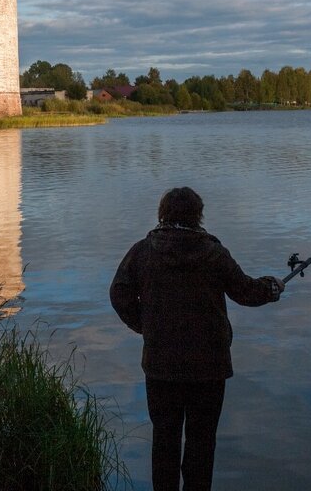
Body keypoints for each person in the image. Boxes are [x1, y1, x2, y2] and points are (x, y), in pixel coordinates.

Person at [110, 186, 283, 491]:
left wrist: (145, 326)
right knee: (202, 444)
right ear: (198, 215)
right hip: (208, 367)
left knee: (164, 441)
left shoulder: (143, 251)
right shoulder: (213, 253)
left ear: (162, 213)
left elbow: (119, 293)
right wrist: (271, 287)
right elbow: (245, 291)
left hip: (161, 366)